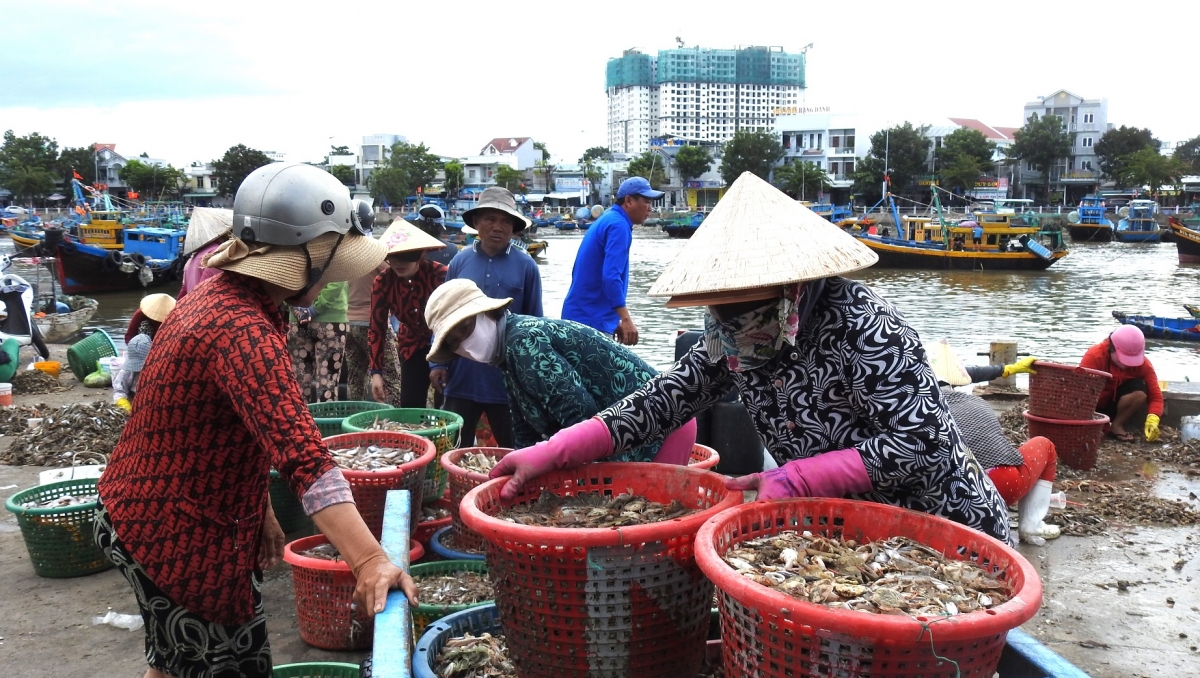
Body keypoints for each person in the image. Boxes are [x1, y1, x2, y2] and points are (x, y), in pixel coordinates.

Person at [492, 172, 1013, 545]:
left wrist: (795, 480)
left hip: (941, 528)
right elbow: (662, 401)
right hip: (845, 531)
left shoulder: (864, 327)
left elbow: (919, 443)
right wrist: (554, 451)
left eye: (748, 310)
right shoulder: (729, 334)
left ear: (793, 287)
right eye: (722, 311)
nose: (736, 329)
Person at [96, 163, 417, 678]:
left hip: (131, 506)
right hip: (173, 531)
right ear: (302, 258)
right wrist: (370, 561)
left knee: (172, 659)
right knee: (228, 658)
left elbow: (235, 424)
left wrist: (260, 507)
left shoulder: (219, 296)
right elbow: (306, 459)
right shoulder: (242, 329)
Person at [424, 278, 697, 457]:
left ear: (487, 313)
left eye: (466, 329)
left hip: (661, 424)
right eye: (456, 343)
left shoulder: (523, 342)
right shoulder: (508, 358)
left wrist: (549, 460)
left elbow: (579, 413)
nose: (467, 345)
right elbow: (524, 430)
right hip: (637, 429)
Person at [431, 187, 542, 447]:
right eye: (490, 219)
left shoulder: (527, 266)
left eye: (505, 221)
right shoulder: (460, 261)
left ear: (514, 228)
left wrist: (530, 378)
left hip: (505, 380)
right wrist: (437, 364)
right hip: (461, 375)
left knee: (513, 448)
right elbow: (443, 315)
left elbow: (536, 324)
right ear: (477, 223)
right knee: (456, 448)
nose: (497, 227)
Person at [926, 339, 1060, 545]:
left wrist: (1005, 370)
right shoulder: (977, 402)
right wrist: (1008, 370)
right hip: (1000, 483)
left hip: (952, 492)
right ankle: (1031, 525)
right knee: (1045, 445)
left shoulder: (920, 410)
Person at [561, 176, 661, 346]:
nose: (650, 208)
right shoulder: (619, 226)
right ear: (628, 201)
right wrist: (625, 319)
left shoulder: (607, 219)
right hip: (590, 324)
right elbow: (610, 277)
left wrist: (613, 321)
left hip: (581, 317)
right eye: (646, 201)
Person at [368, 220, 450, 408]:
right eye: (392, 257)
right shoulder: (383, 281)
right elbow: (376, 327)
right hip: (412, 346)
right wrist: (376, 373)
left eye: (406, 257)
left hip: (445, 343)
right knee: (410, 404)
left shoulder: (441, 275)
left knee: (446, 404)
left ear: (420, 254)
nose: (398, 263)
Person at [1080, 326, 1162, 442]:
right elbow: (1080, 393)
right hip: (1093, 404)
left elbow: (1156, 397)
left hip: (1116, 406)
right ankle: (1094, 425)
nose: (1129, 364)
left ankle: (1116, 426)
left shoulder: (1144, 365)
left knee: (1139, 388)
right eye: (1125, 358)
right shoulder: (1094, 356)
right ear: (1112, 348)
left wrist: (1153, 418)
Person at [345, 263, 401, 405]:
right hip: (372, 321)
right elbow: (396, 275)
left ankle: (354, 416)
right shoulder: (375, 257)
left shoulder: (348, 257)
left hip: (349, 321)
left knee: (355, 377)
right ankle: (397, 418)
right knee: (391, 375)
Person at [113, 293, 176, 413]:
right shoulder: (141, 315)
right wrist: (137, 350)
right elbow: (129, 337)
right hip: (139, 350)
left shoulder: (174, 319)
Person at [288, 280, 349, 403]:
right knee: (327, 382)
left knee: (299, 380)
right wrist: (314, 309)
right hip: (331, 322)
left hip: (297, 320)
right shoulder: (337, 261)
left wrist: (297, 306)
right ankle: (325, 420)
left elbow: (284, 281)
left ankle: (299, 419)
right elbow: (337, 283)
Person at [177, 207, 232, 298]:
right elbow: (208, 290)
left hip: (194, 307)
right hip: (206, 306)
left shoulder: (192, 259)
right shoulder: (216, 254)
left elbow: (183, 293)